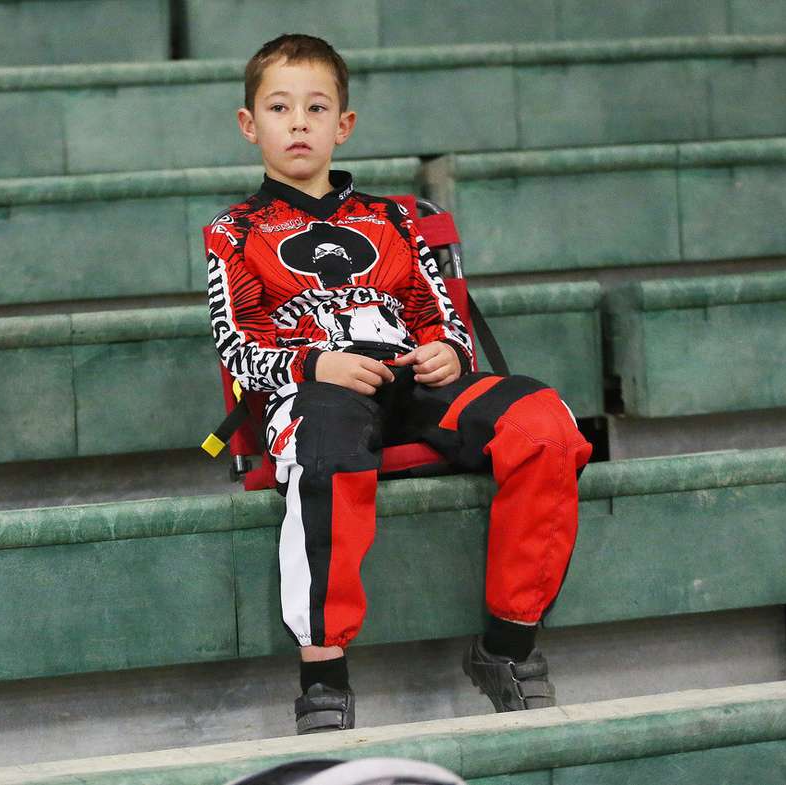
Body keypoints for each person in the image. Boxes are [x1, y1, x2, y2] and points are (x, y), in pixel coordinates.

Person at [202, 34, 593, 734]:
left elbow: (439, 318)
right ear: (248, 124)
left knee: (545, 421)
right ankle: (323, 676)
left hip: (410, 379)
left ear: (342, 125)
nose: (298, 122)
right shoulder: (235, 231)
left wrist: (446, 347)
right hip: (316, 391)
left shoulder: (395, 221)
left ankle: (507, 648)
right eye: (280, 107)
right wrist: (315, 363)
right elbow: (237, 348)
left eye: (316, 107)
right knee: (325, 446)